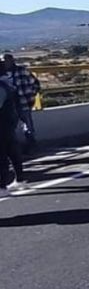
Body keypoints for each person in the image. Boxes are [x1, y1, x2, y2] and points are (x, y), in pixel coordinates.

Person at [3, 53, 41, 152]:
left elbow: (35, 84)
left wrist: (30, 96)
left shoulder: (22, 71)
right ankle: (13, 149)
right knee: (10, 128)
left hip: (23, 103)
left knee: (27, 125)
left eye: (6, 61)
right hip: (8, 106)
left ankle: (31, 146)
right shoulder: (2, 75)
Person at [0, 62, 25, 196]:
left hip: (2, 123)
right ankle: (19, 179)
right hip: (9, 122)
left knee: (2, 155)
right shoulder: (7, 83)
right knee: (12, 151)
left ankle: (2, 186)